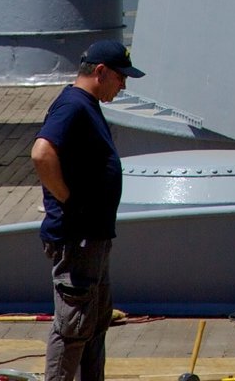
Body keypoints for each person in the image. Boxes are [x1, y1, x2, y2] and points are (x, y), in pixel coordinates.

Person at [30, 40, 142, 381]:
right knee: (73, 327)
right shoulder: (73, 106)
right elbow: (41, 153)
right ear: (100, 72)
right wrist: (69, 200)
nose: (123, 85)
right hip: (77, 240)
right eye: (120, 77)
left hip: (93, 239)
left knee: (94, 324)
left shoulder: (86, 105)